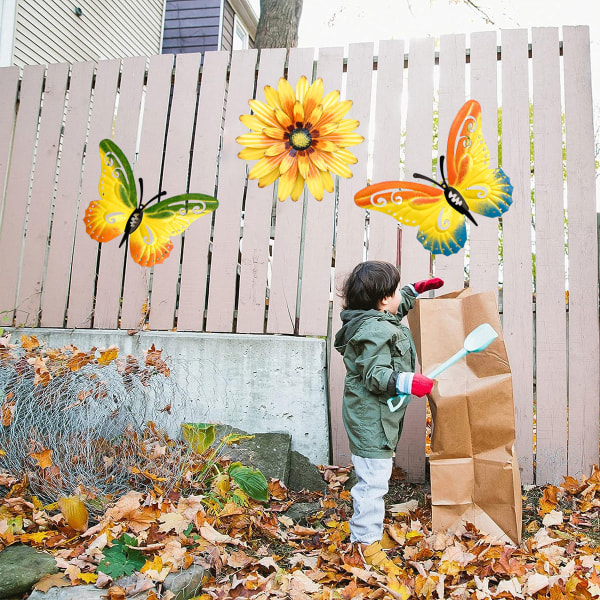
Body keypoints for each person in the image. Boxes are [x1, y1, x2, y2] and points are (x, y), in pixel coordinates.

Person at [333, 260, 443, 573]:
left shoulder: (375, 318)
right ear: (382, 300)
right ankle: (366, 543)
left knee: (372, 475)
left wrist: (413, 291)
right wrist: (408, 381)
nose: (398, 297)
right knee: (373, 484)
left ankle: (363, 534)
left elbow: (395, 308)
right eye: (395, 291)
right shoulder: (374, 331)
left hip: (377, 416)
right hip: (371, 420)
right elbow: (375, 374)